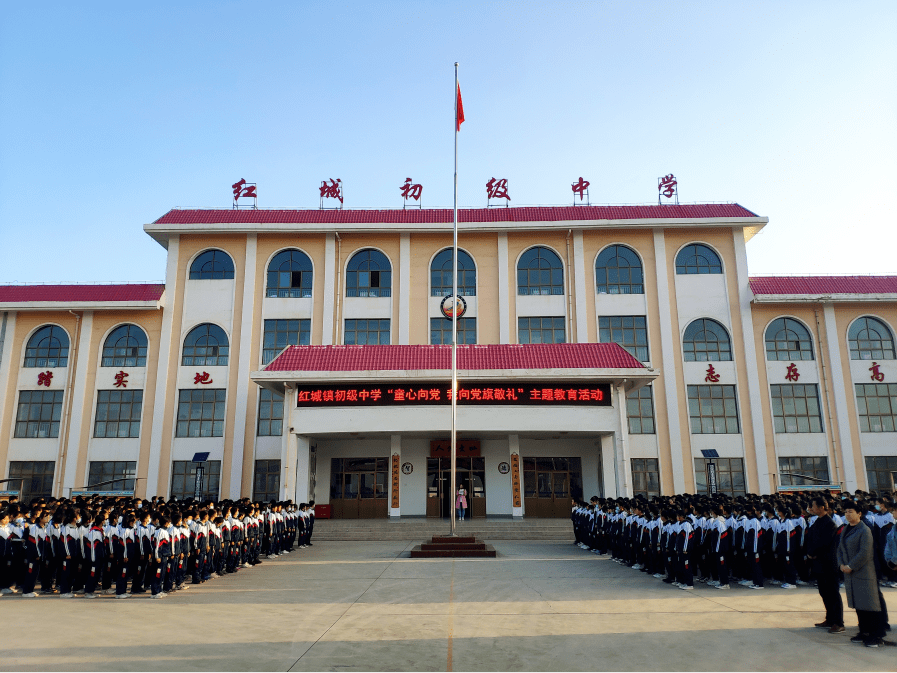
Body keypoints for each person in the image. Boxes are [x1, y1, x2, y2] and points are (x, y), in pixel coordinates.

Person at [838, 501, 886, 647]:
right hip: (849, 572)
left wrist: (851, 566)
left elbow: (865, 552)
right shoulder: (846, 529)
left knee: (870, 605)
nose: (847, 514)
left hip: (863, 572)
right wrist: (841, 564)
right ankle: (863, 631)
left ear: (859, 514)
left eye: (851, 511)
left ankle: (875, 635)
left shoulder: (864, 530)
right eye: (846, 511)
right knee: (859, 604)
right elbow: (839, 548)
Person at [806, 496, 844, 633]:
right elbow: (811, 539)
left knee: (833, 592)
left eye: (814, 506)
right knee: (824, 592)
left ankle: (839, 622)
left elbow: (824, 543)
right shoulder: (817, 522)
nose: (812, 508)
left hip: (829, 563)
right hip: (819, 563)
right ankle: (830, 618)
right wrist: (809, 553)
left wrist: (813, 552)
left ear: (822, 507)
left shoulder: (830, 523)